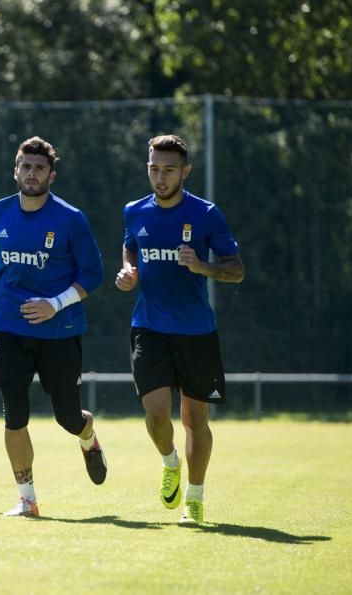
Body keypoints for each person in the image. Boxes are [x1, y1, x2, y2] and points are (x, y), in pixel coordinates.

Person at [0, 136, 106, 518]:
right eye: (25, 166)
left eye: (39, 168)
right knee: (15, 415)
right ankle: (27, 499)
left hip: (60, 331)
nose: (31, 173)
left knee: (67, 417)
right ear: (15, 170)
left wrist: (54, 304)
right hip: (8, 328)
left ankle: (87, 436)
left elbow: (94, 274)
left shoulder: (71, 219)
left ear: (51, 175)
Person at [115, 134, 244, 525]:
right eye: (154, 168)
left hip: (196, 333)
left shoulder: (206, 214)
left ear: (185, 171)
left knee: (195, 422)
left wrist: (202, 267)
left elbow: (235, 270)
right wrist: (128, 271)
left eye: (169, 169)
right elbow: (130, 247)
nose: (160, 176)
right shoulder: (134, 211)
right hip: (148, 328)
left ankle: (195, 498)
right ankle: (170, 462)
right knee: (156, 416)